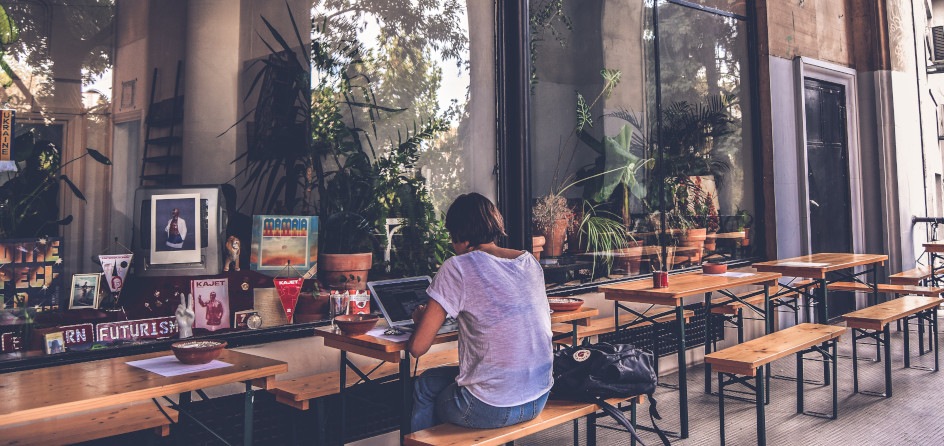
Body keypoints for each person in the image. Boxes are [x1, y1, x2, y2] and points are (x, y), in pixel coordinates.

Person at [407, 193, 552, 432]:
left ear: (458, 234)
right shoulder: (529, 262)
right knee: (437, 381)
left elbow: (417, 348)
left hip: (491, 407)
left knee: (424, 387)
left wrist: (420, 319)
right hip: (538, 397)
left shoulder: (458, 267)